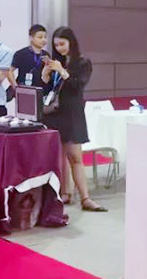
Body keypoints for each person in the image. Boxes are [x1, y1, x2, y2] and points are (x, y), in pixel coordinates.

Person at [42, 27, 106, 212]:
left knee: (75, 156)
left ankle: (85, 197)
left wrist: (62, 71)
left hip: (72, 113)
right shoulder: (57, 62)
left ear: (71, 42)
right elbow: (47, 90)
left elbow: (78, 86)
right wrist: (45, 74)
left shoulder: (83, 63)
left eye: (62, 44)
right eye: (56, 45)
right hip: (54, 113)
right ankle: (66, 193)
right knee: (60, 156)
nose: (59, 48)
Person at [9, 24, 52, 95]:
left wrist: (47, 67)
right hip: (24, 91)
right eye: (40, 37)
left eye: (45, 37)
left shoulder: (46, 55)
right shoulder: (21, 53)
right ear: (31, 38)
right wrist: (16, 87)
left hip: (41, 91)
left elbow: (47, 78)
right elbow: (9, 71)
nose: (43, 40)